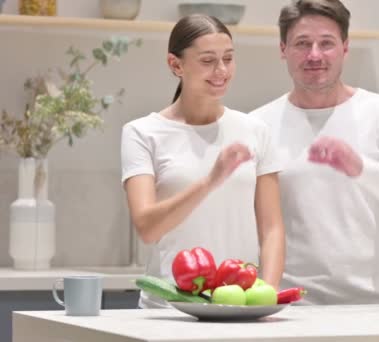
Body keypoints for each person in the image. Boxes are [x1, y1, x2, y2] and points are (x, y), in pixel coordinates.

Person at [250, 0, 379, 305]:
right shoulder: (258, 126)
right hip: (291, 311)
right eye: (302, 43)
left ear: (345, 48)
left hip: (378, 307)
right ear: (283, 49)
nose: (314, 55)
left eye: (326, 43)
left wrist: (359, 167)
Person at [121, 14, 285, 308]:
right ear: (176, 65)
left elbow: (271, 227)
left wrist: (267, 295)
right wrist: (211, 181)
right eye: (208, 60)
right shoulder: (142, 133)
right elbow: (147, 227)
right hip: (168, 310)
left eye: (228, 58)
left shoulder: (256, 131)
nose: (221, 70)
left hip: (241, 305)